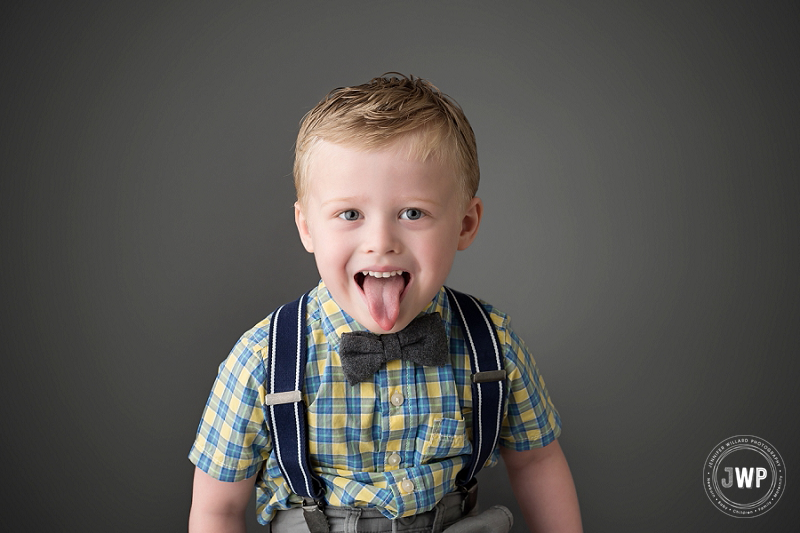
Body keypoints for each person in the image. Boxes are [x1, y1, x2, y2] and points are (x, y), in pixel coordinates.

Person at [188, 73, 582, 533]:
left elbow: (537, 463)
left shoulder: (490, 345)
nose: (381, 242)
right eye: (350, 214)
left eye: (412, 213)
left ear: (465, 224)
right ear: (307, 227)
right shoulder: (265, 359)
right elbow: (219, 509)